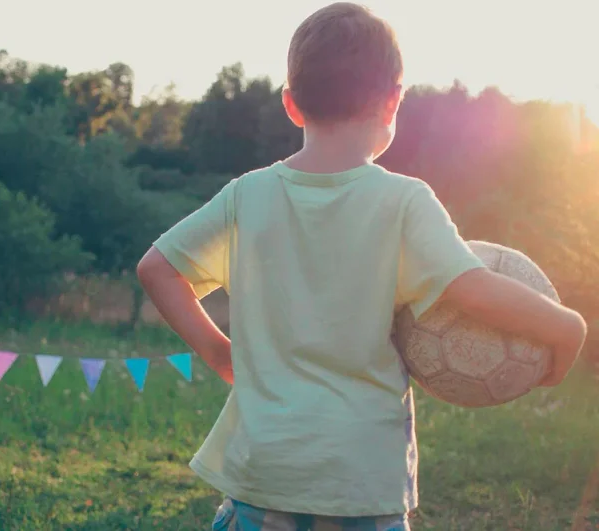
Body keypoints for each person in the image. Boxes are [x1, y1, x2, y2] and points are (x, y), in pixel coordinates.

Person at [136, 3, 588, 530]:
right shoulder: (403, 202)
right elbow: (472, 288)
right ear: (393, 99)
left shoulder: (248, 195)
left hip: (262, 476)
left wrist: (218, 351)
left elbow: (157, 268)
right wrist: (566, 326)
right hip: (359, 486)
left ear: (291, 104)